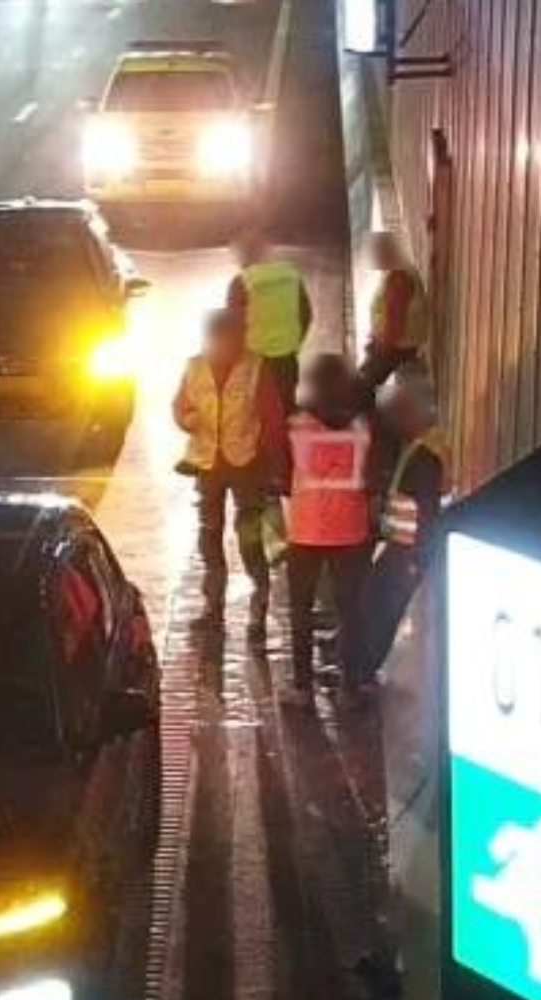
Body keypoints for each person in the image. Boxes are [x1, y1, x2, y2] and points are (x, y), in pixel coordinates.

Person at [173, 308, 286, 643]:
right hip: (208, 465)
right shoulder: (194, 366)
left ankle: (258, 607)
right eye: (219, 341)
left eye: (231, 341)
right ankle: (213, 607)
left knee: (249, 537)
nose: (225, 347)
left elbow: (272, 420)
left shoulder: (256, 368)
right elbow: (179, 405)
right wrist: (186, 420)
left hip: (246, 465)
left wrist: (275, 467)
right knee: (209, 535)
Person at [282, 353, 375, 703]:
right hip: (350, 530)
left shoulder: (298, 426)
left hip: (306, 530)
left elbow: (285, 466)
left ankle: (301, 687)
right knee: (350, 610)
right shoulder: (363, 427)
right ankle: (353, 685)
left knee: (301, 609)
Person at [360, 374, 448, 681]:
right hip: (399, 546)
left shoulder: (425, 457)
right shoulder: (417, 449)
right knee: (377, 609)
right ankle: (361, 671)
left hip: (405, 551)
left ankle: (362, 674)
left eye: (401, 411)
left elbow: (427, 512)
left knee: (383, 613)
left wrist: (415, 559)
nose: (394, 420)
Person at [226, 230, 313, 413]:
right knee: (285, 411)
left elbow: (232, 327)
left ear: (242, 256)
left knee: (258, 416)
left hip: (256, 361)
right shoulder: (290, 274)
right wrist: (294, 343)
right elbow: (307, 314)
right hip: (287, 358)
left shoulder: (241, 282)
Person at [362, 231, 430, 388]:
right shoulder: (398, 271)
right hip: (395, 349)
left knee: (357, 390)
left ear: (384, 252)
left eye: (373, 253)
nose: (371, 259)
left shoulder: (398, 278)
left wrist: (378, 348)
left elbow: (395, 327)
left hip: (394, 351)